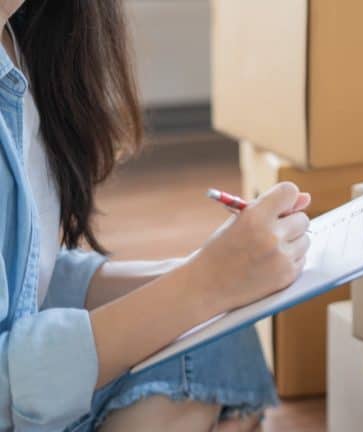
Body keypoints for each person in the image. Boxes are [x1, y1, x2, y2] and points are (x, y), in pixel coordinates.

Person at [0, 1, 312, 431]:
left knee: (216, 335)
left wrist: (202, 272)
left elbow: (27, 280)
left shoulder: (19, 41)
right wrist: (204, 283)